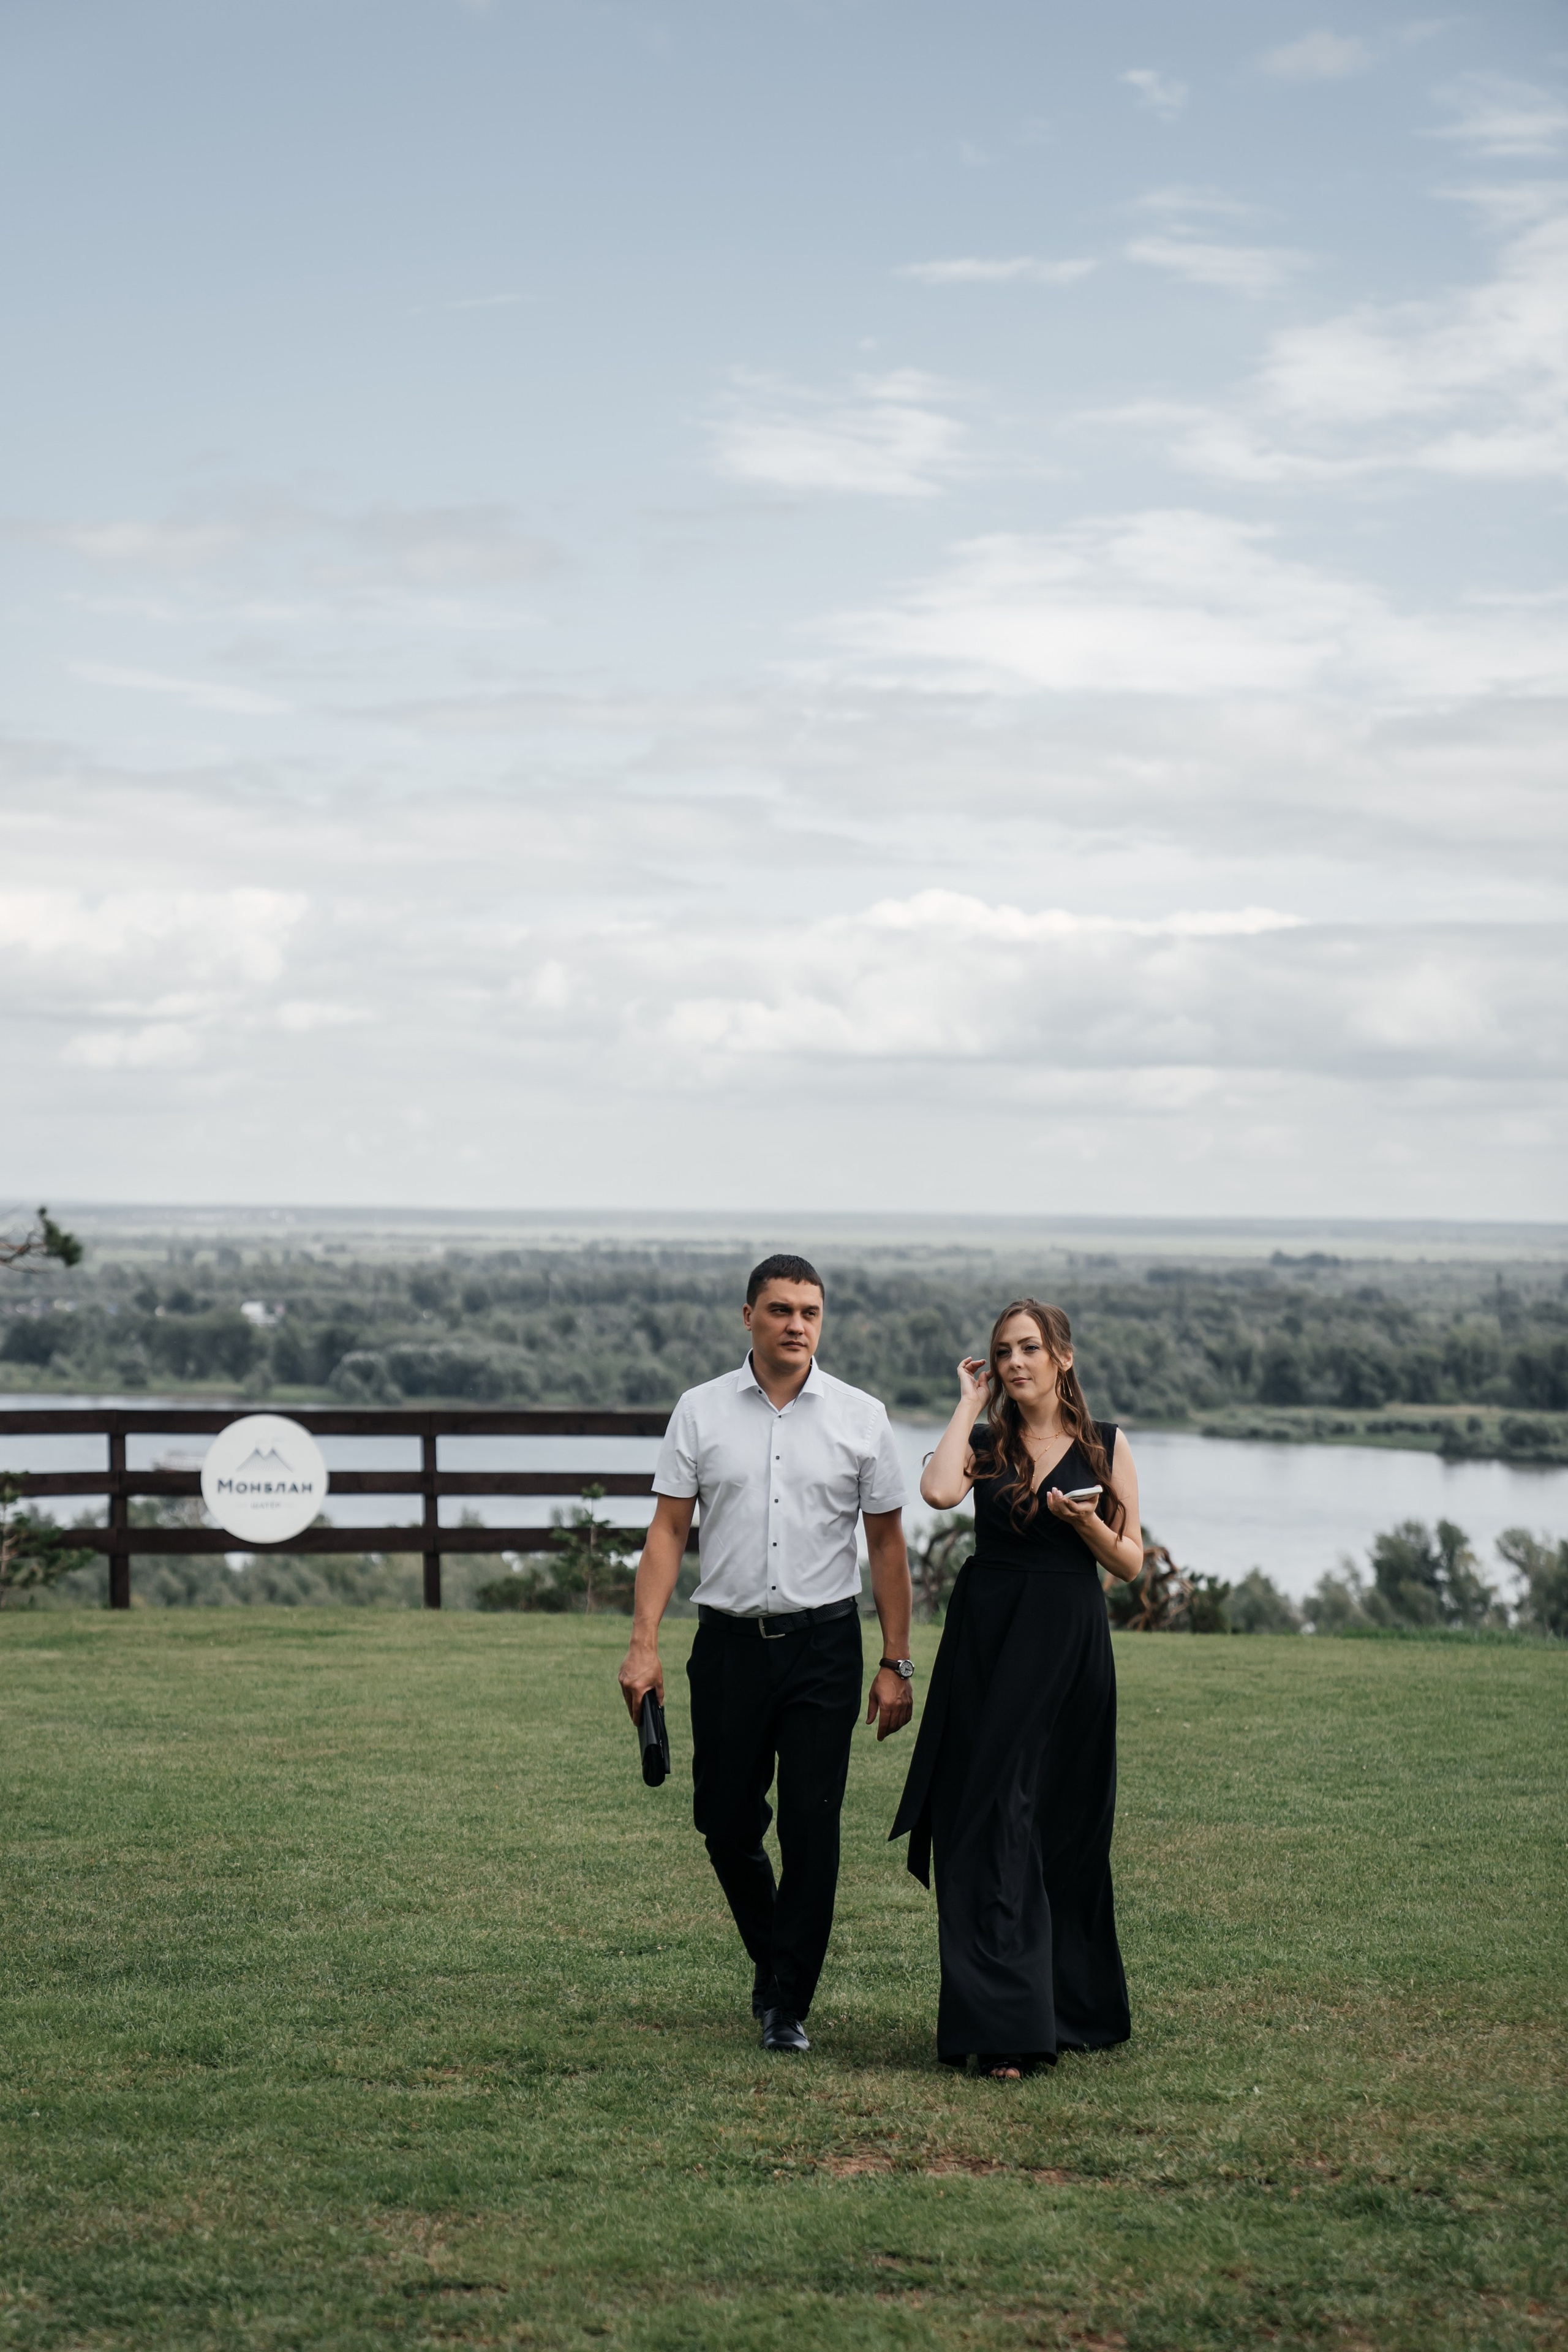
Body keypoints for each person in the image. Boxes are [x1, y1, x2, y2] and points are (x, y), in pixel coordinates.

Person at [617, 1254, 915, 2054]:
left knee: (812, 1830)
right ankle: (776, 1958)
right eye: (781, 1309)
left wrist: (897, 1661)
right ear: (747, 1314)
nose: (796, 1325)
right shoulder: (701, 1410)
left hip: (824, 1647)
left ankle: (786, 2004)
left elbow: (886, 1545)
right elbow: (669, 1530)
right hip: (727, 1648)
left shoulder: (862, 1416)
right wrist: (642, 1645)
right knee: (724, 1822)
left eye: (810, 1312)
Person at [889, 1299, 1144, 2079]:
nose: (1016, 1363)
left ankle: (1066, 2009)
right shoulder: (984, 1441)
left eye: (1030, 1348)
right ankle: (1003, 2027)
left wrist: (1087, 1527)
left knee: (1060, 1829)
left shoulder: (1106, 1444)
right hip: (989, 1642)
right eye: (1004, 1352)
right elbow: (934, 1493)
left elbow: (1130, 1562)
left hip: (1066, 1644)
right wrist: (967, 1403)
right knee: (986, 1821)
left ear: (1062, 1357)